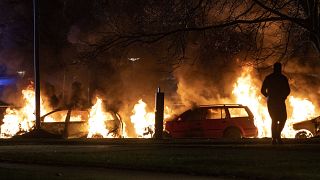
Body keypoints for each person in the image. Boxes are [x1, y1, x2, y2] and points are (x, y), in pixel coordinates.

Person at [261, 62, 290, 144]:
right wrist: (283, 96)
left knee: (277, 119)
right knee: (279, 119)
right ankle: (276, 138)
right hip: (278, 101)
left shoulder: (270, 78)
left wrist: (267, 96)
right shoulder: (282, 78)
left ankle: (276, 137)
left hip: (274, 101)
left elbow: (263, 90)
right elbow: (288, 90)